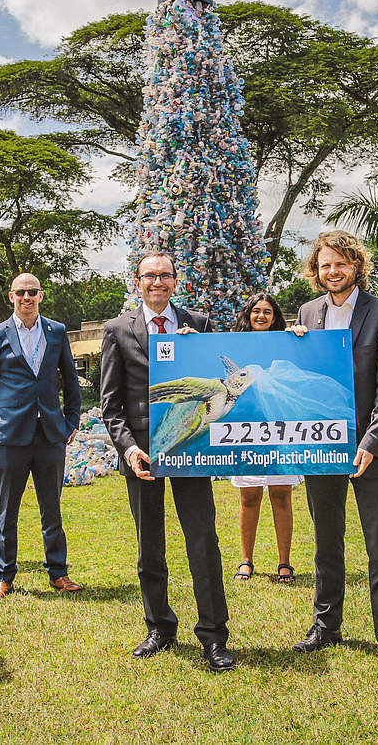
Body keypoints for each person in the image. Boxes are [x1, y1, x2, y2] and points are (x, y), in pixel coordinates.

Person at [99, 252, 235, 672]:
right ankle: (159, 626)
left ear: (176, 281)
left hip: (191, 446)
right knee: (150, 544)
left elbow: (225, 376)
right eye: (149, 275)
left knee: (203, 541)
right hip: (143, 455)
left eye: (165, 275)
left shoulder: (201, 324)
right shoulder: (117, 330)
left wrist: (197, 350)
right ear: (136, 281)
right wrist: (128, 448)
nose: (157, 282)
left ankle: (214, 636)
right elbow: (111, 404)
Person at [289, 230, 378, 675]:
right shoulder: (307, 313)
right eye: (325, 265)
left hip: (369, 449)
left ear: (357, 265)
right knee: (325, 541)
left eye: (341, 263)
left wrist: (371, 443)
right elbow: (299, 377)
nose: (332, 271)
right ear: (316, 272)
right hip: (320, 444)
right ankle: (326, 625)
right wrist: (292, 343)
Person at [0, 273, 84, 598]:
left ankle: (58, 573)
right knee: (7, 509)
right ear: (12, 296)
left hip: (51, 433)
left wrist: (71, 421)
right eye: (21, 292)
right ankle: (4, 576)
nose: (27, 297)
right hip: (11, 436)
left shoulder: (56, 331)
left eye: (32, 292)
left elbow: (70, 378)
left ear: (40, 295)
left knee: (51, 507)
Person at [229, 292, 301, 583]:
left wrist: (299, 334)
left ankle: (285, 562)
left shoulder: (287, 341)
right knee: (249, 496)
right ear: (248, 315)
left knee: (282, 494)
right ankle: (246, 560)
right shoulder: (233, 344)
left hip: (279, 425)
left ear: (275, 316)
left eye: (267, 311)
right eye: (256, 311)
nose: (261, 316)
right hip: (247, 428)